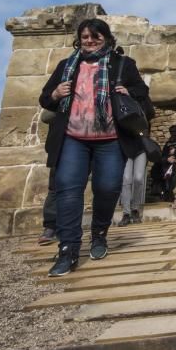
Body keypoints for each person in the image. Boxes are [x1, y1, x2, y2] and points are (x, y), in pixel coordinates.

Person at [39, 18, 149, 277]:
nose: (90, 41)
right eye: (85, 36)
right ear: (79, 39)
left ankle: (99, 233)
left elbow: (142, 92)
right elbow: (45, 98)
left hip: (110, 138)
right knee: (67, 189)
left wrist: (129, 91)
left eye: (95, 36)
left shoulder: (123, 64)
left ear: (106, 38)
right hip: (73, 137)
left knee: (108, 188)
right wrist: (55, 94)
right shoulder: (66, 66)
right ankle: (68, 249)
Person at [118, 135, 161, 226]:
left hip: (141, 148)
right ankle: (126, 213)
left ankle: (135, 209)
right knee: (126, 179)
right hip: (125, 147)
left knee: (138, 178)